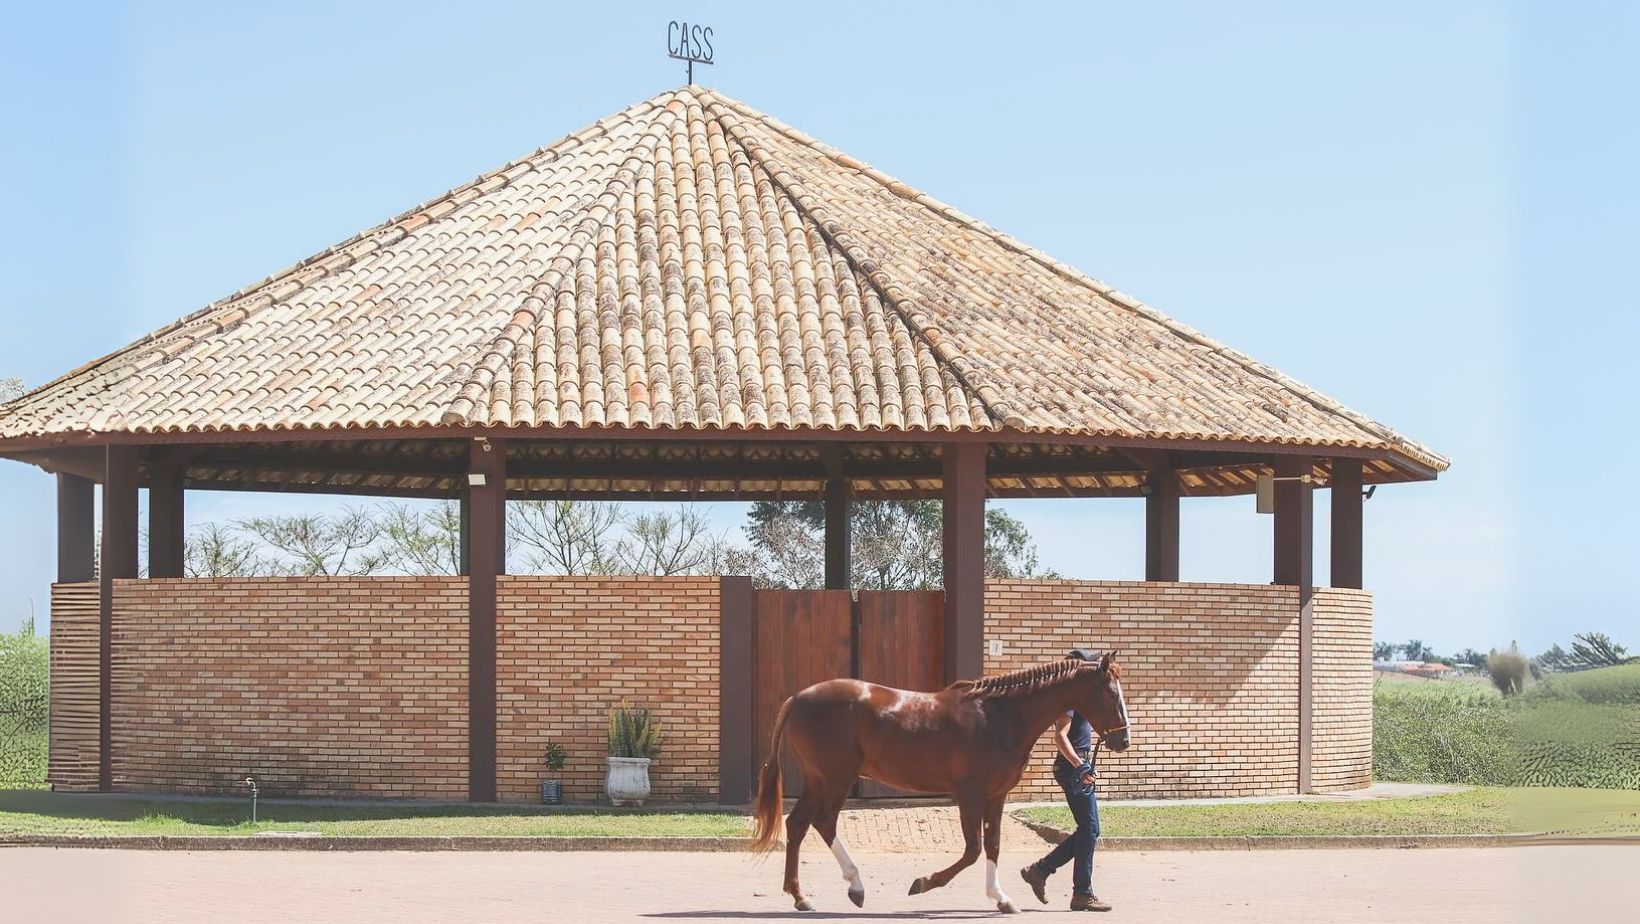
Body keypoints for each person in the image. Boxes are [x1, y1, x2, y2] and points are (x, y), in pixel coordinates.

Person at [1019, 648, 1110, 912]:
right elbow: (1060, 736)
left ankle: (1042, 871)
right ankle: (1079, 892)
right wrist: (1081, 766)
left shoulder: (1077, 697)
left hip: (1077, 766)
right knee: (1090, 829)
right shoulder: (1069, 698)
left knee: (1088, 829)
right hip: (1073, 769)